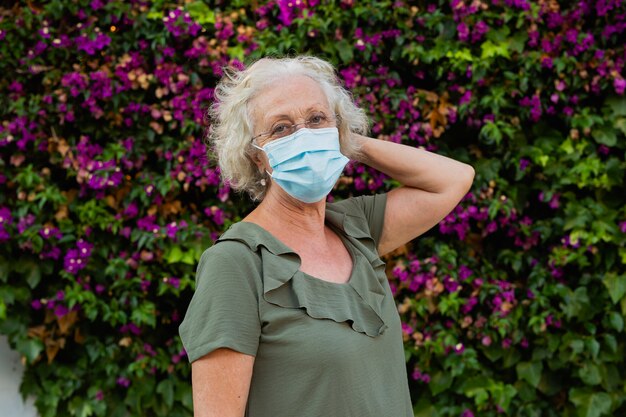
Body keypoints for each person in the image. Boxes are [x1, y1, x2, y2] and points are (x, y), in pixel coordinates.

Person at [179, 55, 475, 417]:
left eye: (317, 119)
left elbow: (452, 180)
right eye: (281, 128)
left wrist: (349, 142)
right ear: (257, 156)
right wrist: (323, 130)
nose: (304, 135)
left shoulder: (354, 227)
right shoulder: (236, 263)